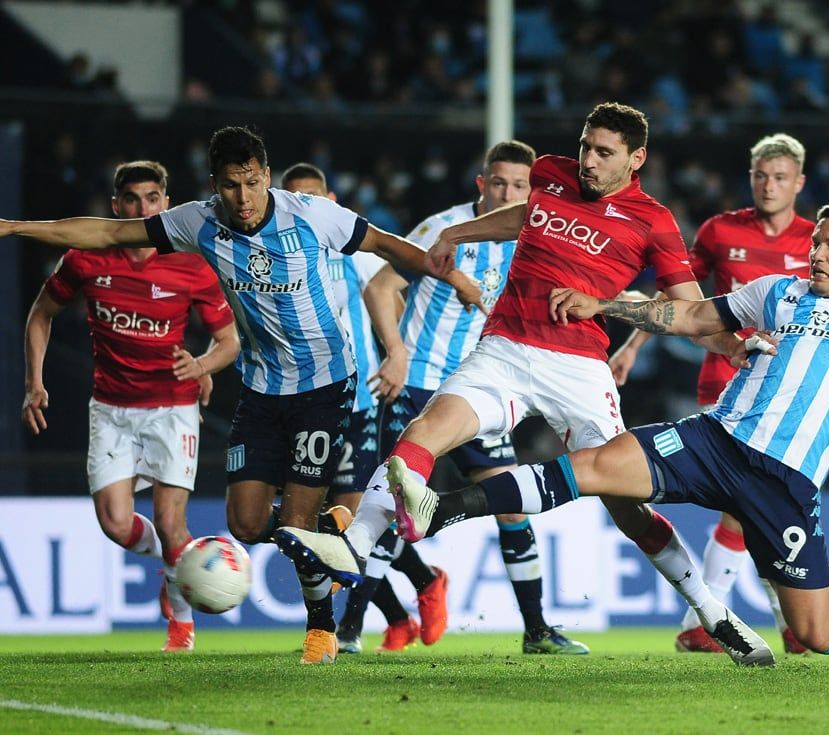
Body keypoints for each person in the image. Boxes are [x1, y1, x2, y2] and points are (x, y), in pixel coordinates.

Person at [388, 202, 829, 669]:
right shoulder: (778, 292)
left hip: (783, 484)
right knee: (594, 464)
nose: (816, 254)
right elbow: (695, 320)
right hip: (714, 439)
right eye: (816, 241)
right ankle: (443, 509)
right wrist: (612, 304)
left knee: (816, 635)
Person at [276, 103, 751, 658]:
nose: (589, 162)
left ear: (636, 158)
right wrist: (459, 231)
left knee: (627, 507)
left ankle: (712, 612)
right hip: (503, 349)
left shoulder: (653, 221)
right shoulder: (552, 174)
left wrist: (723, 342)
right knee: (423, 435)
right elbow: (527, 215)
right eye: (585, 146)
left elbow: (691, 312)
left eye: (604, 153)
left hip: (579, 368)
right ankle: (353, 550)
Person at [2, 126, 481, 665]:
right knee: (247, 524)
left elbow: (389, 247)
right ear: (215, 184)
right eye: (232, 186)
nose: (244, 198)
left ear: (267, 176)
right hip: (260, 387)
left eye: (252, 183)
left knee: (295, 520)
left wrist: (457, 280)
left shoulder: (310, 214)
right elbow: (110, 234)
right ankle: (335, 531)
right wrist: (18, 226)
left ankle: (320, 632)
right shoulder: (198, 221)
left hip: (325, 382)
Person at [361, 140, 588, 654]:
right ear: (482, 184)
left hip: (479, 390)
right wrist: (394, 351)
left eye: (520, 186)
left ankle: (537, 631)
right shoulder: (443, 228)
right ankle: (349, 630)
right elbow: (380, 287)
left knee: (512, 508)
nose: (509, 193)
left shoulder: (534, 239)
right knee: (392, 503)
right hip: (417, 384)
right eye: (500, 183)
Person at [22, 160, 240, 652]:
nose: (144, 209)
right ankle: (177, 564)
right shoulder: (85, 259)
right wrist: (34, 383)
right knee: (116, 524)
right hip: (112, 408)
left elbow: (228, 342)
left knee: (169, 521)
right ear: (116, 206)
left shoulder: (192, 263)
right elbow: (41, 314)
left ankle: (181, 627)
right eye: (133, 200)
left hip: (173, 407)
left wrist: (203, 366)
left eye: (153, 199)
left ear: (166, 203)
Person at [612, 132, 813, 655]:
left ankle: (773, 621)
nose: (769, 186)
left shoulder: (819, 243)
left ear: (799, 183)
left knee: (760, 508)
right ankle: (711, 622)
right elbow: (676, 296)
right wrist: (632, 346)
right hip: (725, 386)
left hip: (786, 396)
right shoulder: (721, 231)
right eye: (761, 176)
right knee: (746, 504)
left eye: (780, 177)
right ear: (751, 178)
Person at [280, 162, 449, 655]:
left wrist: (395, 356)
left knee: (354, 525)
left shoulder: (354, 252)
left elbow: (392, 306)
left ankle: (348, 628)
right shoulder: (278, 259)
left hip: (356, 401)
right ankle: (408, 602)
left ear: (332, 199)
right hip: (294, 403)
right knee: (315, 525)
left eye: (316, 199)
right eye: (296, 200)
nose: (308, 210)